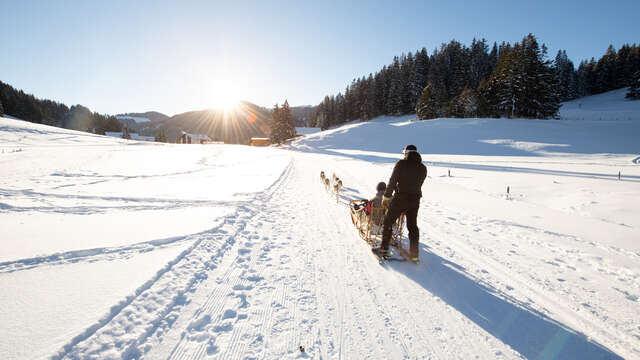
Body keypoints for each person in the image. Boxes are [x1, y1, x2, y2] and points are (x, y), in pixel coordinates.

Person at [374, 144, 427, 261]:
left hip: (400, 199)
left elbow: (392, 181)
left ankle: (384, 249)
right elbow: (418, 184)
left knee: (388, 222)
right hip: (415, 201)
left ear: (406, 153)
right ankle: (414, 254)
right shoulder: (423, 168)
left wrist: (387, 197)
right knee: (412, 226)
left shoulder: (401, 164)